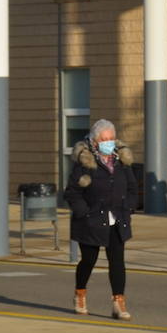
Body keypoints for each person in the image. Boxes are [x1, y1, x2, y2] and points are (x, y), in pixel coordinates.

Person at [63, 118, 138, 320]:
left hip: (117, 218)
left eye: (111, 138)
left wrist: (129, 207)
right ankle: (80, 293)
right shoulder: (85, 163)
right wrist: (84, 212)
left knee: (117, 262)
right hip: (91, 221)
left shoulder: (121, 161)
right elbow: (72, 193)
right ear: (95, 142)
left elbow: (132, 188)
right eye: (105, 139)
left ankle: (118, 302)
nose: (109, 142)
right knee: (89, 260)